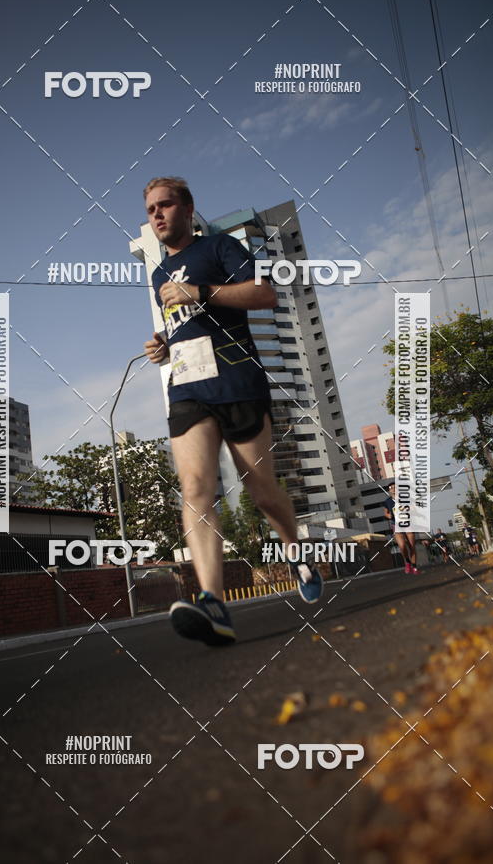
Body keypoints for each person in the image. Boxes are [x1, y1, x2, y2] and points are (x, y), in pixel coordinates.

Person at [142, 176, 323, 645]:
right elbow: (186, 326)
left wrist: (200, 292)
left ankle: (294, 546)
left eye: (165, 206)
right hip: (187, 390)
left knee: (261, 490)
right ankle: (214, 604)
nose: (157, 215)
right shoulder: (160, 274)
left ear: (187, 209)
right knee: (197, 486)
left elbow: (263, 295)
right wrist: (163, 346)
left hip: (238, 382)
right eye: (150, 210)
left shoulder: (220, 247)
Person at [383, 482, 419, 574]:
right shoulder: (387, 501)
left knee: (411, 547)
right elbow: (386, 513)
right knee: (402, 546)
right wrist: (389, 515)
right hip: (396, 525)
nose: (393, 489)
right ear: (389, 490)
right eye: (391, 488)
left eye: (395, 487)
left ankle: (414, 567)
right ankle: (407, 562)